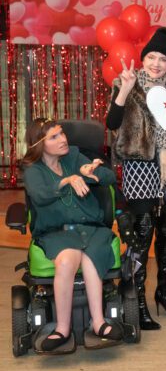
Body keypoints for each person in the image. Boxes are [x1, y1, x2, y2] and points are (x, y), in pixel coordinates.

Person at [106, 27, 166, 329]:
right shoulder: (126, 84)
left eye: (163, 59)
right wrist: (126, 90)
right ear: (143, 59)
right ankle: (137, 302)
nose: (156, 64)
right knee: (141, 239)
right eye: (152, 57)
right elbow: (112, 123)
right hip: (140, 169)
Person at [21, 119, 123, 352]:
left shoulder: (74, 158)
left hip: (90, 227)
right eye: (54, 137)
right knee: (67, 260)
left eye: (62, 134)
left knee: (91, 257)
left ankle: (98, 323)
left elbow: (109, 178)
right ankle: (62, 329)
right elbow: (40, 195)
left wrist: (91, 172)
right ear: (40, 144)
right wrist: (66, 180)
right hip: (56, 232)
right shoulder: (33, 170)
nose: (64, 139)